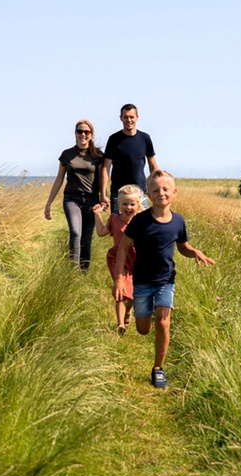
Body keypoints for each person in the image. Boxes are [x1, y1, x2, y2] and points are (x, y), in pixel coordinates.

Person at [114, 170, 215, 388]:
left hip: (166, 279)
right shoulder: (140, 221)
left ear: (174, 192)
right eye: (156, 190)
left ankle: (158, 369)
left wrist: (195, 252)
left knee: (162, 322)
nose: (161, 193)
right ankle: (135, 312)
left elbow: (183, 247)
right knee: (144, 329)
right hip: (141, 280)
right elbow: (123, 248)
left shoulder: (178, 221)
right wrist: (120, 279)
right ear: (149, 195)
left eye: (166, 189)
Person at [44, 119, 103, 270]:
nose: (83, 134)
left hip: (91, 200)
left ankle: (84, 273)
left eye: (86, 132)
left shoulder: (98, 155)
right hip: (72, 199)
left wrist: (103, 198)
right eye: (80, 131)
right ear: (75, 133)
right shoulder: (67, 154)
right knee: (76, 232)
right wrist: (49, 203)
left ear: (91, 134)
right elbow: (59, 179)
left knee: (86, 238)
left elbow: (103, 179)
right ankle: (73, 271)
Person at [92, 184, 144, 335]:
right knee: (120, 290)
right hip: (117, 259)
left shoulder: (141, 220)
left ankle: (128, 311)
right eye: (124, 204)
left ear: (138, 205)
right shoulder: (114, 219)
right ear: (118, 204)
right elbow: (101, 232)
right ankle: (120, 323)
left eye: (132, 204)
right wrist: (97, 215)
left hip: (136, 259)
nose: (128, 207)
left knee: (134, 292)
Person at [99, 103, 158, 213]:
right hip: (119, 194)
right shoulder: (113, 139)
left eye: (131, 117)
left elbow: (153, 166)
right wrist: (103, 194)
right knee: (118, 229)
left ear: (137, 118)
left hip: (140, 193)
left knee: (141, 228)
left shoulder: (145, 138)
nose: (129, 120)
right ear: (121, 118)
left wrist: (156, 189)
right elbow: (105, 168)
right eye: (125, 117)